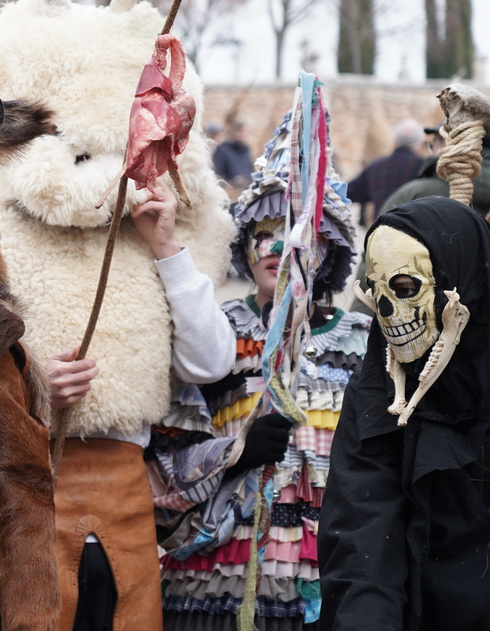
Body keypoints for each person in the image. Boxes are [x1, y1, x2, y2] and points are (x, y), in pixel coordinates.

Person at [148, 120, 368, 630]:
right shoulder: (216, 333)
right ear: (245, 248)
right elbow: (163, 452)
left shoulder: (362, 341)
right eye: (263, 235)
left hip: (329, 565)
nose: (276, 248)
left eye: (294, 235)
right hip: (221, 569)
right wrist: (234, 453)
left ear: (327, 251)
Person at [50, 183, 235, 631]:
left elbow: (211, 362)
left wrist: (167, 248)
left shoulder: (149, 241)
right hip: (33, 484)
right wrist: (32, 385)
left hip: (126, 491)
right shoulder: (8, 232)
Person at [319, 196, 490, 630]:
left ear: (458, 281)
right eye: (378, 296)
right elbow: (363, 516)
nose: (390, 314)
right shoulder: (379, 382)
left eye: (407, 288)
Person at [347, 118, 424, 223]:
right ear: (419, 143)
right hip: (412, 231)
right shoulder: (423, 167)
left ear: (395, 141)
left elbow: (349, 193)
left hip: (381, 230)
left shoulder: (376, 166)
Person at [212, 118, 254, 194]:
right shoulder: (223, 150)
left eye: (243, 131)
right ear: (233, 132)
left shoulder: (246, 151)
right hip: (229, 196)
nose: (241, 134)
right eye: (239, 131)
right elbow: (218, 176)